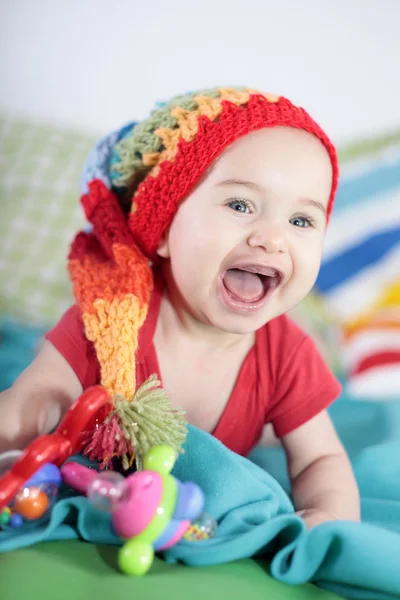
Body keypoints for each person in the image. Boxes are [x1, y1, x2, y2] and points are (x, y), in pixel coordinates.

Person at [0, 87, 360, 527]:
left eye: (301, 220)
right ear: (167, 230)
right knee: (50, 375)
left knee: (282, 422)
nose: (272, 237)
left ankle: (264, 422)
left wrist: (329, 517)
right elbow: (30, 403)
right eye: (240, 204)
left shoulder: (287, 355)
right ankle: (45, 346)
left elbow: (320, 459)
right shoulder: (110, 321)